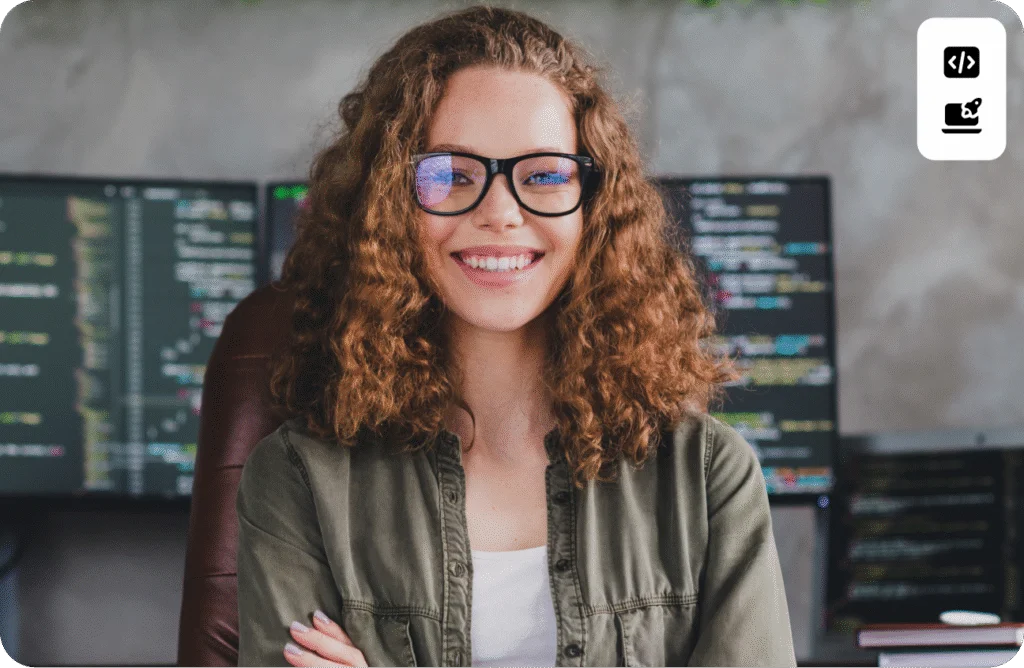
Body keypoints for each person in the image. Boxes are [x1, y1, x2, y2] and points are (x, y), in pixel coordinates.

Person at [235, 5, 796, 667]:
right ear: (386, 203)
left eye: (544, 175)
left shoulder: (706, 477)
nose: (501, 213)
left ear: (595, 205)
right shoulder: (299, 479)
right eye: (450, 175)